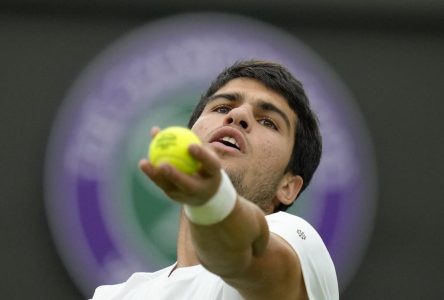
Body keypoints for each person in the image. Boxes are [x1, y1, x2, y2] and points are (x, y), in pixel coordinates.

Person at [90, 60, 339, 299]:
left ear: (288, 187)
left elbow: (244, 257)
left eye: (268, 121)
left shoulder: (298, 242)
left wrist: (211, 200)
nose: (238, 115)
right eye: (221, 108)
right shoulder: (114, 296)